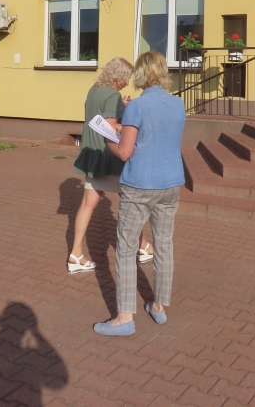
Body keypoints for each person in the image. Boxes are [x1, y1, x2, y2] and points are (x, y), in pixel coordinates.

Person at [94, 51, 186, 336]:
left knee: (125, 248)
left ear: (142, 74)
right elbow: (158, 136)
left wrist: (107, 136)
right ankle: (159, 306)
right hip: (171, 182)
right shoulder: (178, 104)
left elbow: (124, 152)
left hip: (140, 185)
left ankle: (124, 318)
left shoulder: (138, 106)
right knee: (164, 244)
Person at [68, 57, 154, 274]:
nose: (127, 82)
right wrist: (127, 112)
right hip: (109, 156)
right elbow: (111, 126)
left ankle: (76, 253)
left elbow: (98, 117)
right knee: (131, 203)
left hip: (91, 154)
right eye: (126, 77)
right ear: (118, 76)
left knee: (87, 204)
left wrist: (120, 107)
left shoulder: (94, 90)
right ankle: (142, 247)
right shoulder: (112, 95)